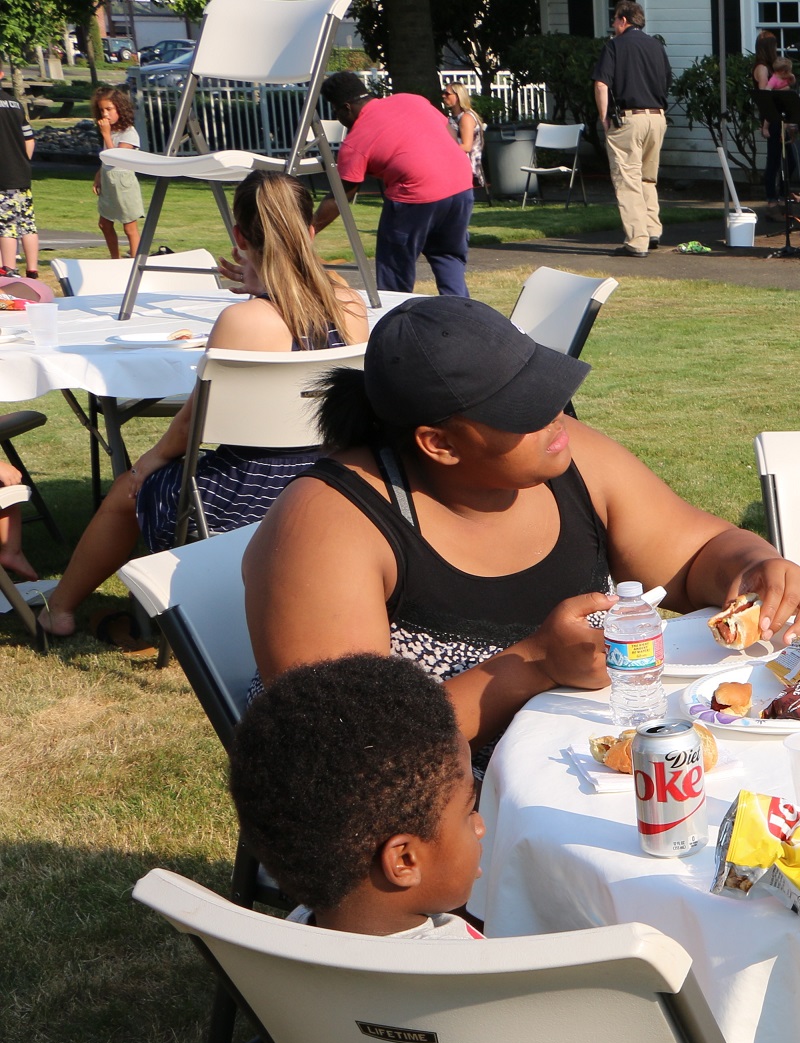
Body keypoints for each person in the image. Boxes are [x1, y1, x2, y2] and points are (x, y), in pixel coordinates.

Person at [229, 652, 800, 1043]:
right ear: (404, 861)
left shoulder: (295, 948)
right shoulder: (469, 990)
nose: (480, 828)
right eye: (468, 812)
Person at [243, 294, 800, 758]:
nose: (555, 417)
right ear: (440, 444)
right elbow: (348, 745)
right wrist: (535, 665)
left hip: (591, 758)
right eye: (521, 410)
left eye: (545, 388)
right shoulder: (332, 526)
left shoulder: (568, 459)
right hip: (444, 818)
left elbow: (697, 552)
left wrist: (756, 568)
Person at [38, 172, 370, 641]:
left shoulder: (242, 321)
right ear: (310, 229)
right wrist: (262, 280)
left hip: (245, 498)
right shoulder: (350, 305)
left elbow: (193, 423)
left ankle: (61, 611)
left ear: (239, 237)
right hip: (334, 483)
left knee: (130, 489)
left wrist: (146, 465)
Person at [312, 72, 475, 297]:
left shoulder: (356, 140)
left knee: (394, 269)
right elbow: (450, 135)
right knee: (447, 256)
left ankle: (394, 319)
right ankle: (462, 317)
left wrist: (310, 229)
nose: (338, 117)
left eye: (336, 111)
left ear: (346, 108)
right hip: (461, 184)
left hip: (415, 195)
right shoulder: (411, 99)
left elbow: (340, 196)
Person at [594, 0, 672, 258]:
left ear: (624, 20)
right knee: (648, 178)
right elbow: (667, 80)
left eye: (615, 19)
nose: (613, 25)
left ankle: (637, 240)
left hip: (629, 119)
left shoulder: (615, 46)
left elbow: (602, 84)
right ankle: (652, 230)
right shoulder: (656, 46)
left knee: (627, 179)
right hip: (657, 117)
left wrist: (604, 117)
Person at [92, 86, 146, 260]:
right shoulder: (111, 131)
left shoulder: (129, 133)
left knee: (129, 227)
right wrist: (99, 176)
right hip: (109, 182)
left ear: (119, 109)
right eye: (102, 110)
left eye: (109, 109)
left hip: (123, 184)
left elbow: (116, 157)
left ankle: (135, 261)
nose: (105, 114)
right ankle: (115, 258)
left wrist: (106, 135)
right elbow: (106, 159)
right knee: (104, 224)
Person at [0, 85, 37, 280]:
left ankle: (8, 270)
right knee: (27, 224)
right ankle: (32, 270)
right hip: (21, 173)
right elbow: (29, 139)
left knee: (6, 225)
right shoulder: (15, 104)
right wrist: (23, 161)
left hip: (3, 176)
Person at [753, 31, 787, 201]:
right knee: (773, 161)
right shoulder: (762, 68)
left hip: (778, 117)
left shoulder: (770, 67)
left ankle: (782, 195)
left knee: (788, 160)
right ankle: (773, 200)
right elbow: (765, 96)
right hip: (771, 117)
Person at [442, 81, 486, 195]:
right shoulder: (453, 118)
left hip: (467, 167)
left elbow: (466, 147)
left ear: (458, 96)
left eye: (447, 94)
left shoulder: (466, 118)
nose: (443, 96)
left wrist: (441, 152)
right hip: (454, 163)